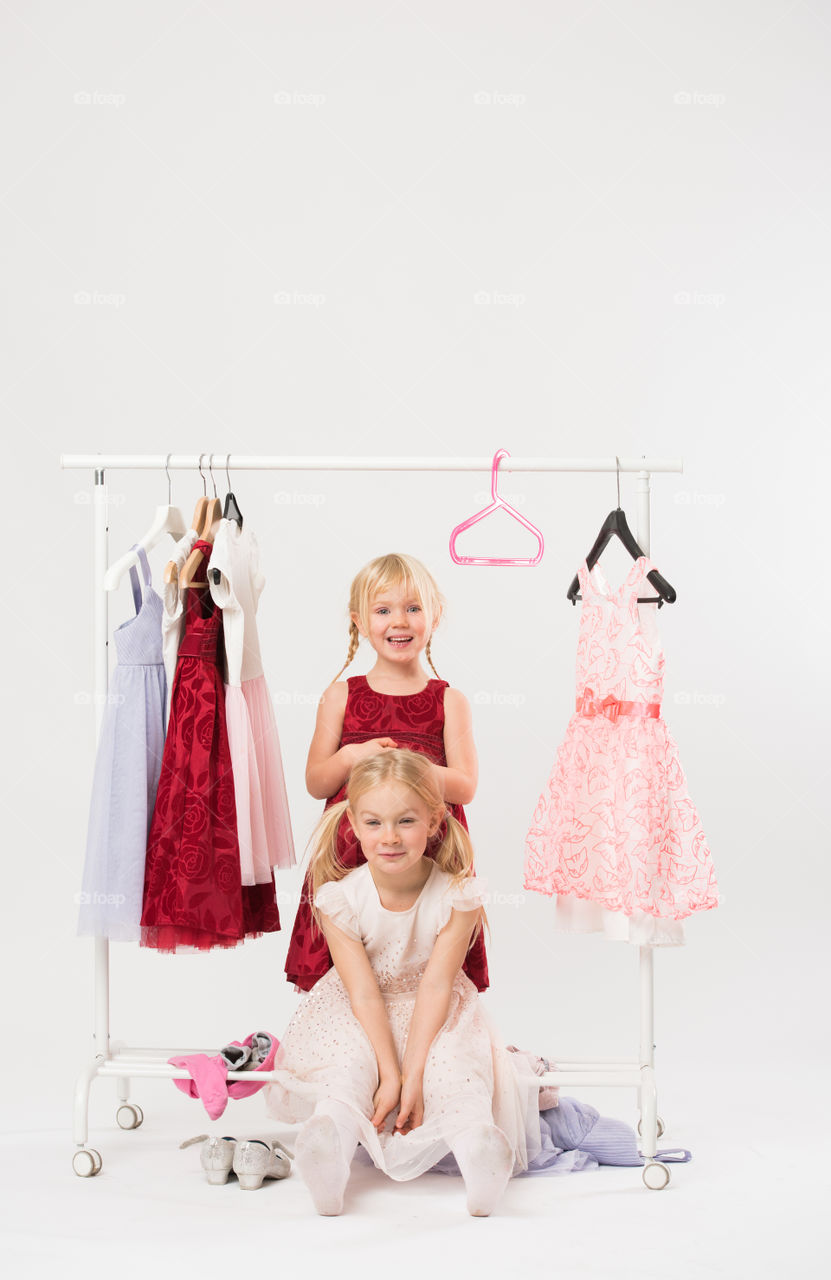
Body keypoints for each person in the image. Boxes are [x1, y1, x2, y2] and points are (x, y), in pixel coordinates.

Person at [264, 749, 541, 1216]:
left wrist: (411, 1075)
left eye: (405, 821)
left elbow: (436, 987)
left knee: (453, 1069)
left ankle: (479, 1149)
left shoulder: (458, 896)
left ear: (435, 821)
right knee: (348, 1065)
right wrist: (389, 1075)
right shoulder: (340, 898)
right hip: (358, 1013)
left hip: (433, 1013)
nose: (389, 837)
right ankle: (328, 1145)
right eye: (373, 823)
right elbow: (363, 992)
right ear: (352, 821)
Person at [284, 552, 489, 992]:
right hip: (352, 849)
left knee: (423, 970)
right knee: (348, 973)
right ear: (359, 620)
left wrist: (410, 771)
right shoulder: (340, 696)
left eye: (414, 608)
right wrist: (350, 758)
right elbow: (316, 780)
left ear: (435, 617)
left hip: (426, 850)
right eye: (384, 610)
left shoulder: (449, 701)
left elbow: (465, 786)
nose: (400, 621)